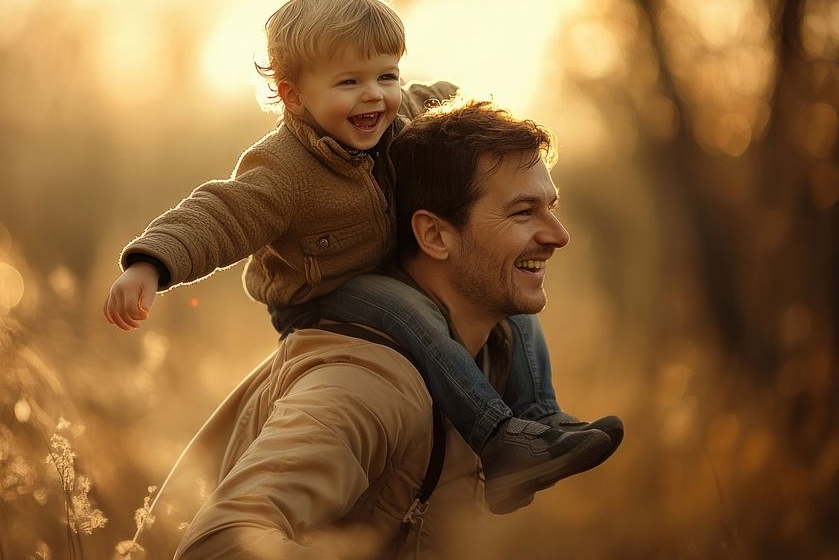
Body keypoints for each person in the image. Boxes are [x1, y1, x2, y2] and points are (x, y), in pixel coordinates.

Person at [102, 0, 620, 514]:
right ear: (293, 95)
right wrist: (151, 263)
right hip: (320, 295)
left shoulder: (397, 120)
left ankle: (540, 418)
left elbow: (442, 105)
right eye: (349, 82)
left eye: (386, 75)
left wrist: (468, 105)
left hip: (383, 271)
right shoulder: (284, 171)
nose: (374, 95)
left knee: (507, 299)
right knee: (410, 309)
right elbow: (219, 214)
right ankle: (497, 435)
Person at [163, 96, 617, 559]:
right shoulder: (365, 386)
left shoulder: (488, 358)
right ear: (434, 235)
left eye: (551, 207)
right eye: (523, 212)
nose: (558, 234)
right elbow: (217, 546)